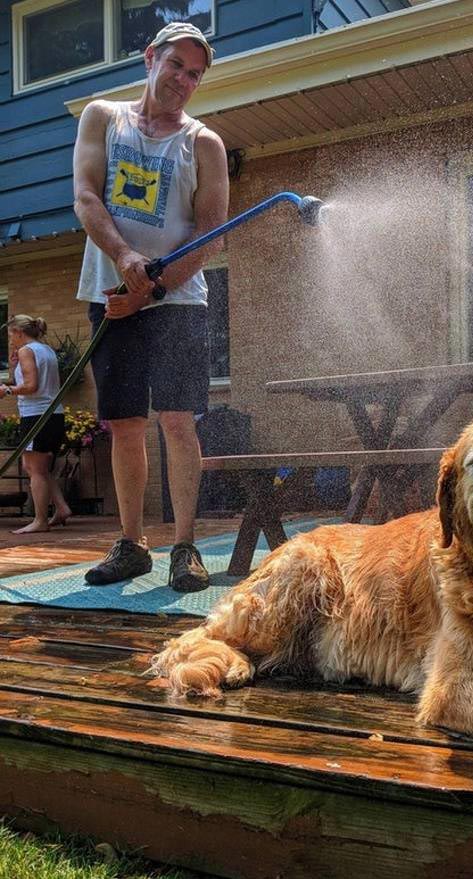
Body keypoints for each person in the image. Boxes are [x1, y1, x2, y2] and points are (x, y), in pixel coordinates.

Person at [73, 22, 229, 591]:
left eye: (195, 74)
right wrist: (125, 263)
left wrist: (155, 289)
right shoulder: (102, 118)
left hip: (178, 301)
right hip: (111, 294)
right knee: (125, 423)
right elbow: (87, 197)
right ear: (150, 58)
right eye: (177, 65)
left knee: (177, 420)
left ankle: (184, 546)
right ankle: (132, 543)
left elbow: (212, 233)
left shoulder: (203, 142)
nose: (184, 80)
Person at [0, 315, 72, 534]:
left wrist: (7, 390)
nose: (10, 340)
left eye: (11, 335)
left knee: (35, 469)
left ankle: (40, 520)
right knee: (35, 467)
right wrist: (15, 367)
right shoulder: (46, 350)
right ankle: (61, 507)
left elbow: (31, 386)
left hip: (37, 415)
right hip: (53, 414)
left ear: (19, 333)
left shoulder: (26, 351)